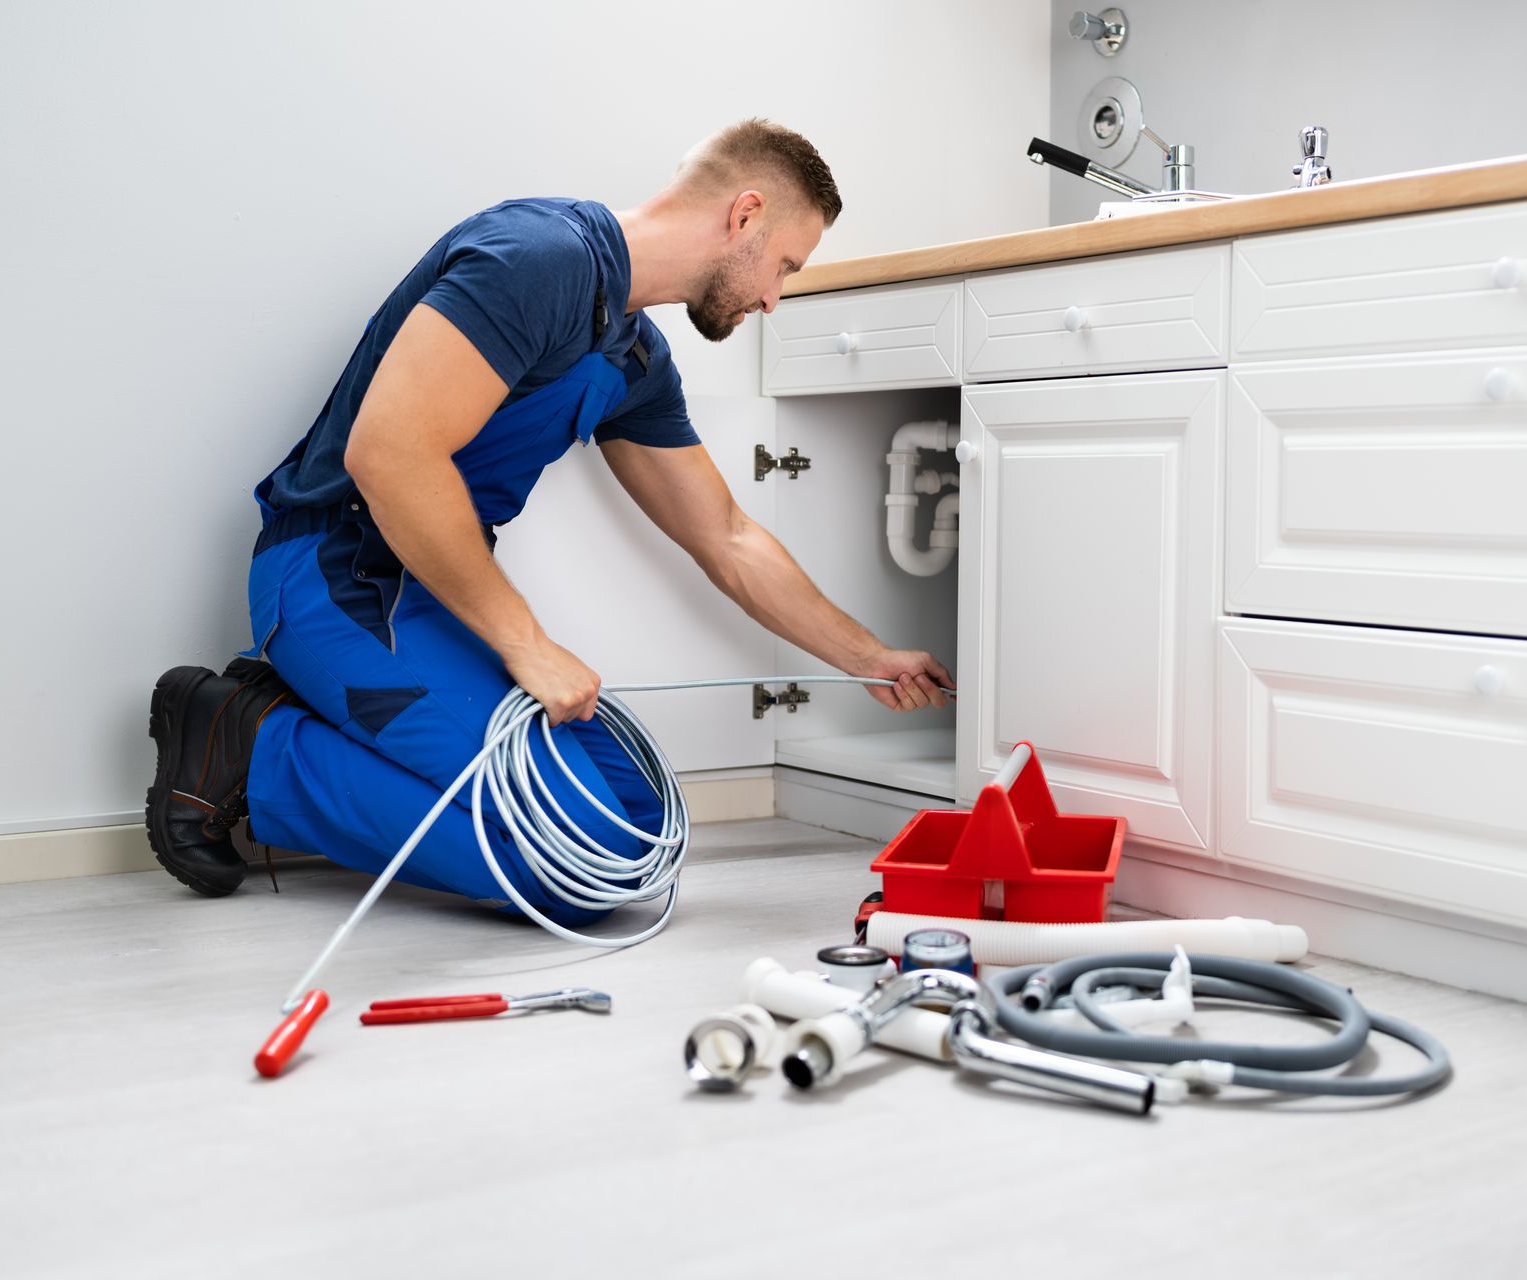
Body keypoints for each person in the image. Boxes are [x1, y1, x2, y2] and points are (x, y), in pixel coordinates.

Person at [144, 119, 952, 914]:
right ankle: (250, 746)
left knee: (633, 831)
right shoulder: (538, 258)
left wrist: (869, 656)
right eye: (783, 265)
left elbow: (727, 537)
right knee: (570, 863)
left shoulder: (634, 356)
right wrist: (527, 644)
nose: (775, 298)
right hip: (334, 576)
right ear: (744, 214)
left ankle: (319, 726)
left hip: (434, 599)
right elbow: (388, 456)